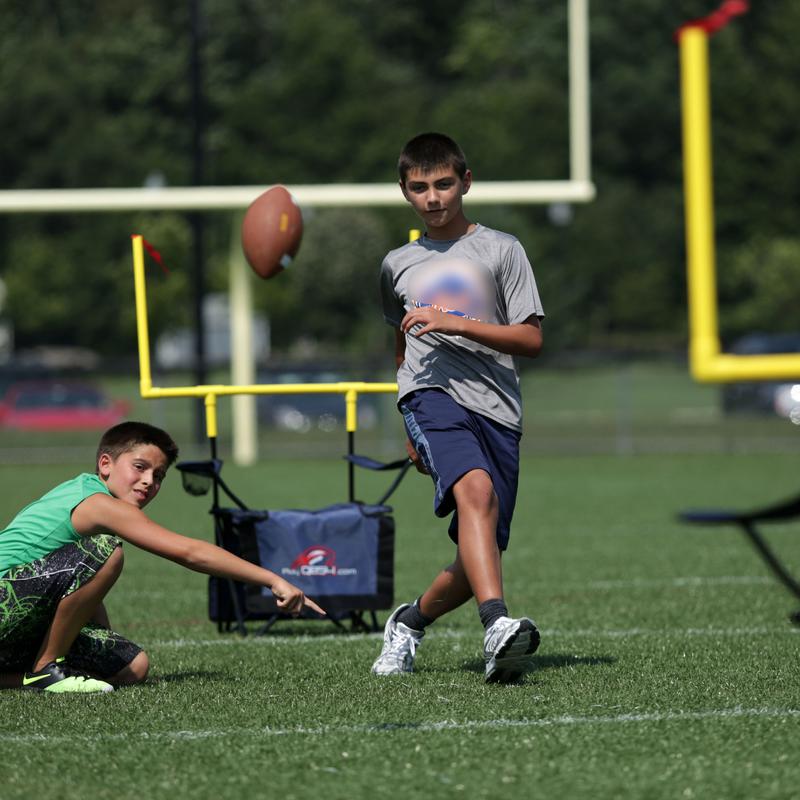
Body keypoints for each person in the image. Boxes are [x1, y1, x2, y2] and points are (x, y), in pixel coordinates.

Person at [373, 132, 545, 683]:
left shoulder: (502, 249)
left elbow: (530, 339)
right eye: (419, 187)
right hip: (430, 397)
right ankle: (495, 625)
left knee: (479, 557)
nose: (433, 197)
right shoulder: (396, 264)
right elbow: (400, 339)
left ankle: (408, 623)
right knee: (476, 491)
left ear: (465, 182)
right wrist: (409, 415)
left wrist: (454, 321)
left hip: (497, 408)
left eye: (443, 184)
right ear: (404, 192)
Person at [0, 421, 324, 693]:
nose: (148, 482)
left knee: (133, 667)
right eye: (139, 467)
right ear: (105, 465)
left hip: (19, 617)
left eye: (159, 476)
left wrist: (106, 641)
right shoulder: (98, 504)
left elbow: (75, 588)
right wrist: (272, 579)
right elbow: (190, 552)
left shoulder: (92, 497)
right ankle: (45, 668)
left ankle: (20, 680)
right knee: (105, 552)